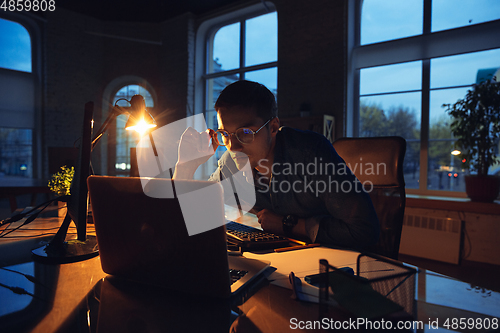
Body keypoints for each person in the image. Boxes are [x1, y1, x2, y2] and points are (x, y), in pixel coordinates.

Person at [174, 80, 379, 250]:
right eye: (225, 134)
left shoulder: (311, 153)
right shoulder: (232, 161)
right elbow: (189, 217)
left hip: (332, 271)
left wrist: (287, 224)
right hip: (279, 264)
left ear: (273, 127)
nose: (233, 146)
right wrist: (185, 166)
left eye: (245, 133)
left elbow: (364, 231)